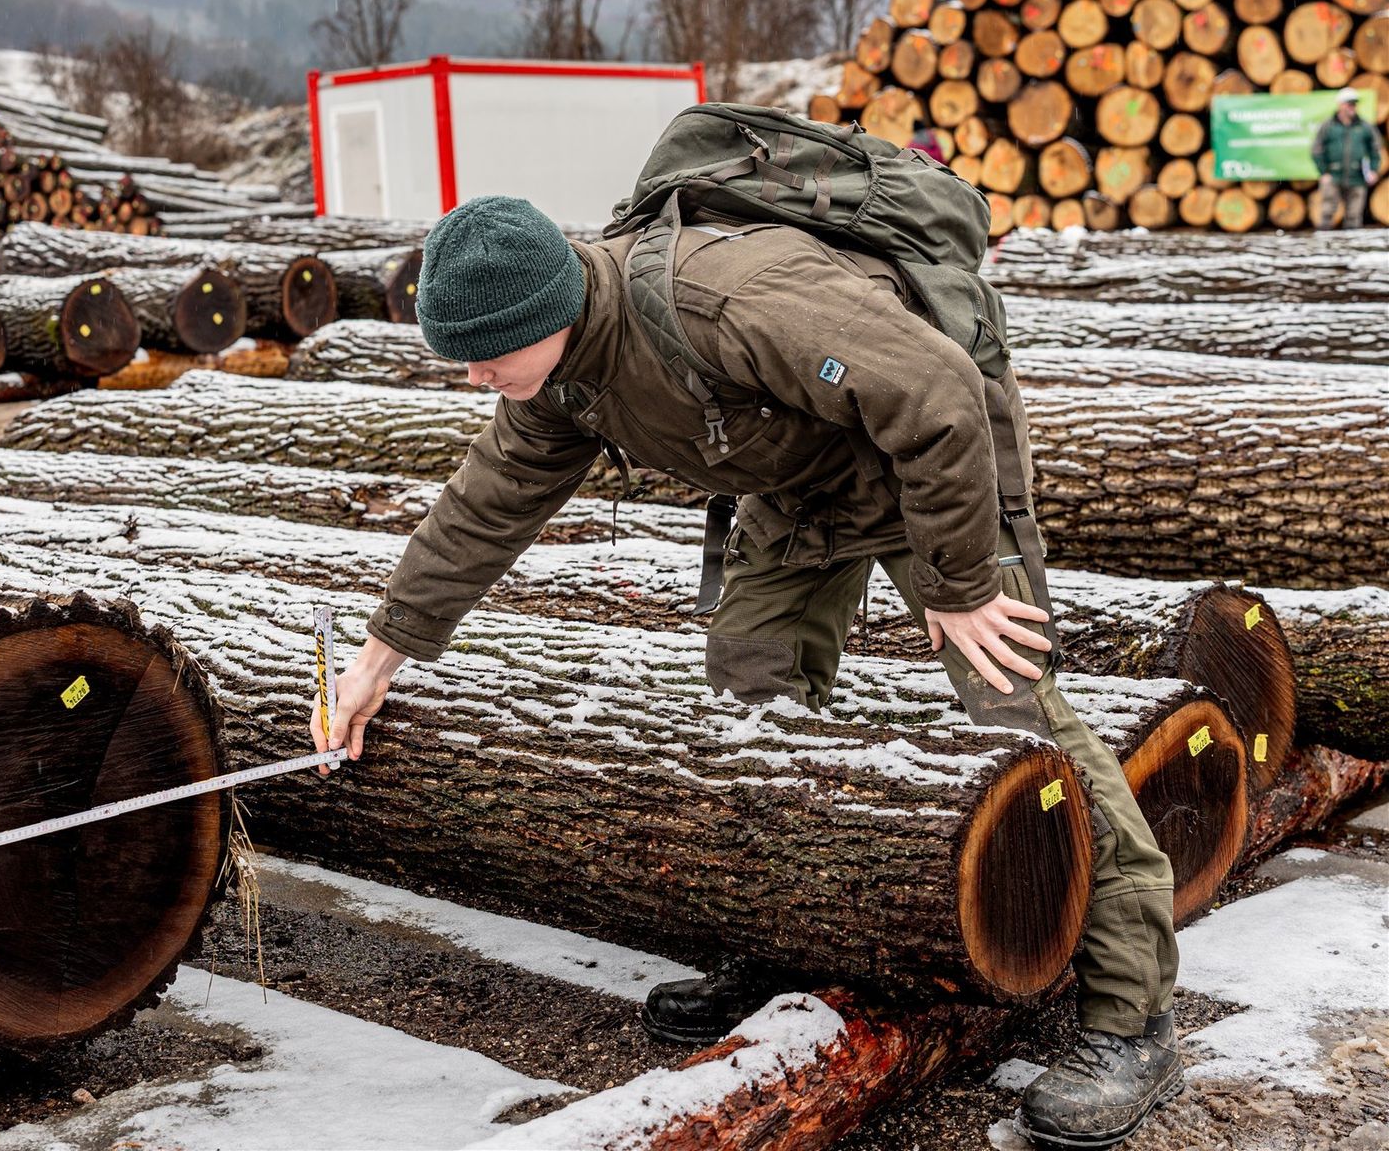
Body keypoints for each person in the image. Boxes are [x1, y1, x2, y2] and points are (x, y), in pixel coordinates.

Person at [313, 194, 1183, 1151]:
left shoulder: (723, 301)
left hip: (933, 468)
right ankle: (782, 943)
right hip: (801, 486)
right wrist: (379, 655)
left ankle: (1131, 1015)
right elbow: (485, 506)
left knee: (1014, 707)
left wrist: (964, 581)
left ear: (549, 312)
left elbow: (938, 394)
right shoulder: (556, 378)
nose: (477, 377)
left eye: (487, 355)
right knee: (750, 698)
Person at [1310, 86, 1383, 230]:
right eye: (1349, 103)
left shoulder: (1365, 126)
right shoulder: (1328, 125)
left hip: (1357, 178)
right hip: (1333, 176)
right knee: (1326, 215)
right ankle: (1323, 248)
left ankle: (1351, 250)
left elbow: (1376, 150)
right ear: (1340, 105)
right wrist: (1323, 171)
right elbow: (1316, 149)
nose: (1352, 107)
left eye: (1354, 103)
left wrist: (1373, 170)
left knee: (1354, 218)